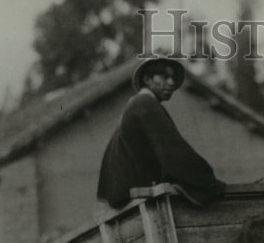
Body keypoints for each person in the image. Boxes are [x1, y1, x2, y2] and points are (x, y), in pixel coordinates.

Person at [96, 57, 227, 209]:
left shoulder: (136, 104)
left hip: (123, 192)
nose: (171, 83)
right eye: (164, 77)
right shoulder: (145, 103)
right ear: (147, 80)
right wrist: (208, 180)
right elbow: (174, 151)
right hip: (135, 191)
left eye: (173, 78)